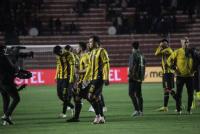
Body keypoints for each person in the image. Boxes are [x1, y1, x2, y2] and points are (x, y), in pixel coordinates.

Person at [84, 35, 110, 124]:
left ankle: (98, 116)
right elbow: (90, 67)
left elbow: (106, 64)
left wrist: (106, 77)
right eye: (89, 42)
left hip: (99, 77)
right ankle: (101, 117)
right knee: (95, 97)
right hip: (93, 78)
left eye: (91, 42)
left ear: (96, 43)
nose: (89, 43)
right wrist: (86, 77)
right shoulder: (91, 53)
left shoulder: (102, 51)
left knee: (90, 96)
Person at [167, 37, 194, 114]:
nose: (186, 43)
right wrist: (174, 69)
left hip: (190, 76)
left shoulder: (192, 52)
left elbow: (197, 61)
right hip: (180, 77)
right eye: (185, 42)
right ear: (181, 43)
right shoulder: (177, 52)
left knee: (191, 94)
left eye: (187, 42)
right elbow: (169, 61)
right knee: (179, 94)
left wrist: (194, 70)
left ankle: (189, 109)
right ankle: (178, 110)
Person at [155, 39, 176, 112]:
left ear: (167, 44)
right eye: (162, 43)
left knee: (169, 89)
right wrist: (160, 47)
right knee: (166, 90)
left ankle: (179, 104)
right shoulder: (165, 50)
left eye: (164, 43)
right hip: (165, 72)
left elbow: (156, 54)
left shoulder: (168, 50)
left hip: (168, 72)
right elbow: (157, 54)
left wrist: (160, 46)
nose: (163, 44)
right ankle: (165, 107)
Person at [53, 45, 75, 118]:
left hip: (67, 78)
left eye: (57, 54)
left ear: (60, 51)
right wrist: (56, 76)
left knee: (65, 95)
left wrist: (71, 77)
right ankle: (72, 106)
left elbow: (72, 67)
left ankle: (63, 113)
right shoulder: (58, 56)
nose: (57, 55)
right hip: (60, 78)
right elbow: (58, 66)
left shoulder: (69, 54)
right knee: (59, 95)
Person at [0, 45, 20, 125]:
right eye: (4, 49)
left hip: (1, 83)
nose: (5, 51)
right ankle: (6, 116)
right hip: (7, 81)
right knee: (16, 98)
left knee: (6, 99)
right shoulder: (3, 58)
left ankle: (5, 121)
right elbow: (11, 69)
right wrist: (17, 70)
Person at [128, 41, 146, 117]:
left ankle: (137, 110)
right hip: (140, 77)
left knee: (131, 93)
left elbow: (132, 66)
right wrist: (142, 76)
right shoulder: (142, 55)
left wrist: (131, 74)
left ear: (132, 47)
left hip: (133, 77)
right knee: (139, 95)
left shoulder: (133, 55)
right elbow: (144, 65)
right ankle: (141, 111)